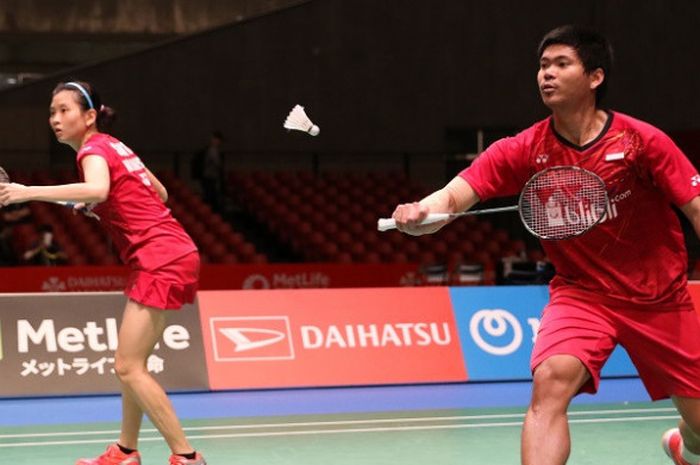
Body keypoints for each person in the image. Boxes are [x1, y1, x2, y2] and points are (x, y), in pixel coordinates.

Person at [390, 25, 700, 465]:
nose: (546, 75)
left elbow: (695, 207)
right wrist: (423, 212)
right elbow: (456, 195)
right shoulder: (523, 149)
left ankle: (684, 443)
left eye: (561, 64)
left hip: (658, 299)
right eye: (542, 65)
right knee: (550, 381)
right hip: (582, 294)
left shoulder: (641, 142)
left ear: (594, 77)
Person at [0, 80, 206, 465]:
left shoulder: (93, 149)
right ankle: (126, 451)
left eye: (65, 110)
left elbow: (96, 189)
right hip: (171, 251)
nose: (55, 119)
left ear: (90, 116)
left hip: (159, 256)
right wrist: (111, 203)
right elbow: (158, 193)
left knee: (127, 366)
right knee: (132, 364)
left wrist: (28, 192)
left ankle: (187, 457)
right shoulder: (116, 146)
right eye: (52, 112)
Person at [191, 130, 225, 214]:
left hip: (210, 177)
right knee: (210, 196)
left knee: (211, 196)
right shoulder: (212, 150)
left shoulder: (212, 150)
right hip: (209, 177)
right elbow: (217, 164)